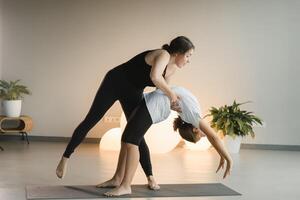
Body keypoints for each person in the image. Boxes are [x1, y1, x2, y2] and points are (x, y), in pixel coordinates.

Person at [56, 36, 195, 190]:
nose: (189, 60)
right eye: (188, 55)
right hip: (115, 82)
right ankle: (65, 158)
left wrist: (172, 104)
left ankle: (150, 177)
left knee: (137, 132)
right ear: (177, 53)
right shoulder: (163, 55)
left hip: (134, 91)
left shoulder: (172, 68)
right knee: (92, 119)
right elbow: (155, 77)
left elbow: (160, 93)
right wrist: (172, 95)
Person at [103, 86, 233, 196]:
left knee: (130, 140)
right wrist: (228, 158)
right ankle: (121, 181)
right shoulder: (194, 115)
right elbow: (214, 137)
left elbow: (213, 138)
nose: (205, 136)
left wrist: (222, 155)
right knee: (128, 139)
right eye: (201, 136)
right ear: (195, 130)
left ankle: (122, 182)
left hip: (152, 102)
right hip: (152, 104)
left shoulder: (192, 115)